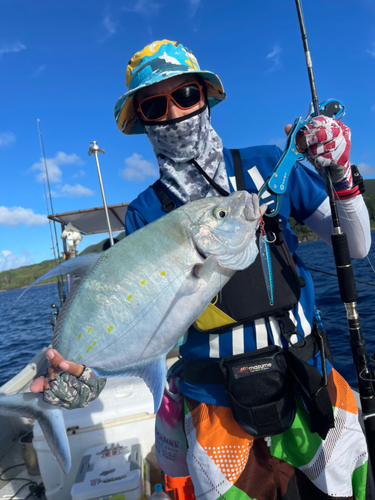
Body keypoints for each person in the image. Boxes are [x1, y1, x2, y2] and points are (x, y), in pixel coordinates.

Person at [31, 40, 372, 499]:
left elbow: (357, 245)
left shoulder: (267, 164)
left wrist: (342, 177)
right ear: (144, 121)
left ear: (206, 98)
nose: (173, 113)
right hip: (214, 412)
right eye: (155, 105)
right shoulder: (145, 212)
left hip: (310, 388)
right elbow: (144, 321)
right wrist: (88, 374)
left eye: (185, 96)